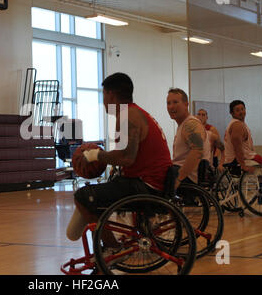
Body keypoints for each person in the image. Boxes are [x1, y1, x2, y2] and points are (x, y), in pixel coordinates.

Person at [66, 72, 172, 245]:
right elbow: (128, 156)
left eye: (104, 96)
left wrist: (95, 155)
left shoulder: (126, 116)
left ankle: (111, 248)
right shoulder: (136, 112)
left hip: (146, 185)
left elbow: (126, 158)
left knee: (84, 196)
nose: (103, 101)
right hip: (155, 181)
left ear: (110, 94)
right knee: (100, 191)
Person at [166, 88, 205, 188]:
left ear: (186, 105)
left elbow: (197, 151)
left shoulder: (191, 124)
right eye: (168, 103)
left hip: (186, 179)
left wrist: (179, 178)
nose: (171, 106)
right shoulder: (183, 125)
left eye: (175, 102)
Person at [223, 100, 262, 173]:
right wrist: (243, 165)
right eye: (237, 110)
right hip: (237, 160)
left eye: (242, 109)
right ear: (231, 113)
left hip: (235, 159)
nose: (241, 112)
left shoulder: (236, 124)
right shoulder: (237, 125)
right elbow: (237, 147)